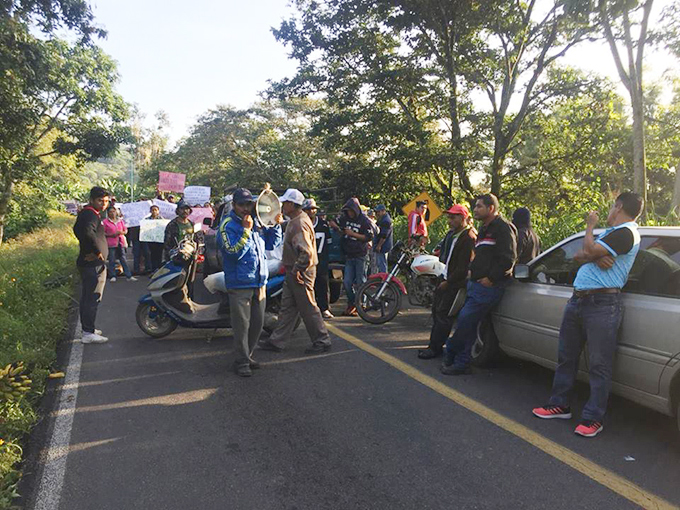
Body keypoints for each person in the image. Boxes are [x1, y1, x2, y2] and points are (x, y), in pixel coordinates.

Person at [532, 192, 643, 438]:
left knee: (599, 364)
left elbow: (587, 249)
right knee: (567, 356)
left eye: (612, 205)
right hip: (580, 300)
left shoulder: (626, 232)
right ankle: (559, 404)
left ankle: (593, 418)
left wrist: (590, 227)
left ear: (619, 206)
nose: (609, 210)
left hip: (602, 303)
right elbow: (579, 255)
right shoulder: (613, 234)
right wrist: (595, 254)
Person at [441, 193, 517, 375]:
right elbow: (480, 255)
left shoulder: (503, 228)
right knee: (469, 324)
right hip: (475, 284)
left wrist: (491, 279)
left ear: (491, 208)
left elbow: (508, 259)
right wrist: (472, 271)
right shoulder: (484, 228)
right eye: (475, 206)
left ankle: (451, 350)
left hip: (488, 287)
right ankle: (461, 362)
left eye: (479, 206)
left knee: (465, 320)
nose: (475, 209)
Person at [218, 188, 283, 377]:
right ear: (234, 205)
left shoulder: (256, 222)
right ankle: (241, 361)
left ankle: (248, 355)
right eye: (242, 204)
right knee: (242, 326)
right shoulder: (228, 225)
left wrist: (275, 225)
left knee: (257, 323)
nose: (246, 208)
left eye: (249, 204)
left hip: (259, 280)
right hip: (239, 283)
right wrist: (246, 231)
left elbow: (271, 244)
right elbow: (232, 252)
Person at [260, 189, 333, 354]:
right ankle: (277, 341)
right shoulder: (298, 219)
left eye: (285, 203)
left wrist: (297, 270)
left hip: (300, 271)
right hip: (294, 270)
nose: (282, 206)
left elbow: (306, 253)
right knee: (288, 308)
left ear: (292, 205)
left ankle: (322, 340)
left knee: (308, 308)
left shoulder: (298, 223)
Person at [418, 204, 476, 360]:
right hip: (445, 276)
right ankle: (434, 345)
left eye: (453, 217)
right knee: (437, 312)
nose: (449, 221)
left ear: (462, 218)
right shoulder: (453, 234)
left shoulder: (468, 238)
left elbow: (463, 267)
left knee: (444, 315)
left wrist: (448, 282)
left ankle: (435, 348)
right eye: (449, 217)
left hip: (455, 283)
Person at [73, 187, 111, 344]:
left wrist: (89, 249)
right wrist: (96, 251)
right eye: (100, 200)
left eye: (106, 201)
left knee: (89, 297)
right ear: (92, 200)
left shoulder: (89, 213)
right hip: (92, 264)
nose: (104, 204)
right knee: (92, 297)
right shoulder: (90, 214)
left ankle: (88, 328)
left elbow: (77, 230)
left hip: (91, 262)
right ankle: (88, 333)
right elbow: (87, 233)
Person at [329, 198, 374, 316]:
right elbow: (332, 221)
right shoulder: (345, 218)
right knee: (347, 282)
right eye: (348, 211)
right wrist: (339, 229)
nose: (349, 213)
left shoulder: (364, 221)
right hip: (349, 255)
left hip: (361, 255)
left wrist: (353, 234)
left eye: (351, 211)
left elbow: (368, 237)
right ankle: (352, 303)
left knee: (361, 282)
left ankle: (361, 305)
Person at [303, 198, 334, 319]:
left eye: (313, 209)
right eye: (308, 209)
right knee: (307, 286)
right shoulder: (301, 224)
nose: (311, 212)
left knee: (323, 285)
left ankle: (324, 308)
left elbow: (328, 242)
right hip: (306, 260)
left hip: (321, 259)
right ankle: (308, 308)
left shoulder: (323, 225)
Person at [103, 207, 137, 283]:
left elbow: (125, 230)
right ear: (108, 213)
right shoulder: (105, 222)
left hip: (120, 242)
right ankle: (113, 275)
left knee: (123, 259)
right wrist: (111, 234)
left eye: (114, 211)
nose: (112, 213)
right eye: (110, 212)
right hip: (111, 243)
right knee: (112, 259)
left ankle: (128, 275)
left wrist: (122, 232)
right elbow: (103, 233)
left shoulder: (120, 221)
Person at [143, 205, 165, 272]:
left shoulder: (162, 219)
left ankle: (159, 268)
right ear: (150, 211)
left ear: (158, 211)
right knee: (152, 254)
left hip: (159, 240)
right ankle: (153, 269)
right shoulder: (147, 220)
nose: (154, 211)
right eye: (153, 210)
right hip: (150, 240)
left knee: (159, 254)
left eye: (156, 210)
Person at [373, 204, 393, 274]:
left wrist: (379, 245)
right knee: (380, 264)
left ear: (383, 211)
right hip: (383, 245)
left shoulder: (386, 221)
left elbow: (384, 236)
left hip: (383, 246)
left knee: (382, 265)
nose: (377, 214)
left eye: (378, 212)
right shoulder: (382, 219)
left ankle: (384, 278)